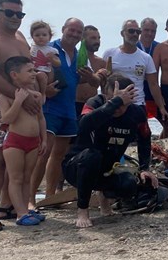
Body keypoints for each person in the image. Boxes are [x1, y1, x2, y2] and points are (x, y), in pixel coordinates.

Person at [0, 0, 42, 232]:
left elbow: (29, 70)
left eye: (20, 14)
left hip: (28, 105)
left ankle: (9, 204)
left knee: (20, 161)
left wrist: (36, 95)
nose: (15, 18)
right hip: (0, 104)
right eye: (10, 13)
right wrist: (18, 98)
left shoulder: (21, 38)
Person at [63, 76, 158, 228]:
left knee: (129, 185)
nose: (118, 108)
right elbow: (83, 125)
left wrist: (145, 168)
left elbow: (145, 139)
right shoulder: (95, 103)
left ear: (131, 98)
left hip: (106, 171)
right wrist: (114, 103)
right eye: (114, 100)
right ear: (107, 96)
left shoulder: (136, 113)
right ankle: (82, 210)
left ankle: (104, 196)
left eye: (123, 103)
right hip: (76, 167)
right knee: (92, 156)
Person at [30, 18, 99, 205]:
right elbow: (31, 73)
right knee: (43, 152)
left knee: (59, 154)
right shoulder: (48, 48)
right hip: (50, 108)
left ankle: (50, 196)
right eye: (71, 30)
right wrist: (44, 90)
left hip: (69, 109)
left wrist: (92, 77)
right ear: (63, 29)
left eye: (78, 32)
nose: (74, 34)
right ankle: (29, 199)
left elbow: (84, 80)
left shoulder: (79, 54)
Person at [0, 56, 47, 226]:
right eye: (29, 71)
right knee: (16, 178)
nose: (34, 73)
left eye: (34, 70)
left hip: (33, 141)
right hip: (15, 142)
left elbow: (40, 118)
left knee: (28, 177)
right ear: (14, 74)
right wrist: (18, 101)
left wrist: (44, 139)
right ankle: (20, 213)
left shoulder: (36, 95)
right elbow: (7, 119)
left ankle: (26, 209)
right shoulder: (6, 96)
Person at [102, 19, 168, 123]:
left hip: (137, 104)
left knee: (141, 137)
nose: (134, 34)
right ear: (122, 33)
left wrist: (161, 107)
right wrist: (105, 101)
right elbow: (104, 80)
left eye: (137, 32)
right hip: (115, 104)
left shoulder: (146, 58)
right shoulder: (110, 53)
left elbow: (153, 84)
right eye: (130, 31)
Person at [75, 25, 107, 117]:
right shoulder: (74, 58)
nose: (97, 41)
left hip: (92, 105)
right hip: (74, 103)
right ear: (82, 39)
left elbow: (105, 89)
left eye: (98, 38)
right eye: (93, 38)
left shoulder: (101, 62)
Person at [137, 18, 164, 127]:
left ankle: (162, 143)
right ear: (140, 30)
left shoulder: (159, 47)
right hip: (137, 91)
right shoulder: (133, 46)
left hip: (153, 90)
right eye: (146, 30)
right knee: (140, 124)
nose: (149, 33)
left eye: (153, 31)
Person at [29, 20, 63, 92]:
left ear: (50, 37)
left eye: (44, 35)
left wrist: (52, 59)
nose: (41, 37)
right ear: (32, 37)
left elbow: (58, 63)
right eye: (37, 35)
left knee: (42, 75)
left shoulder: (52, 50)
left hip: (46, 72)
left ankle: (43, 93)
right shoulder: (31, 49)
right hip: (34, 71)